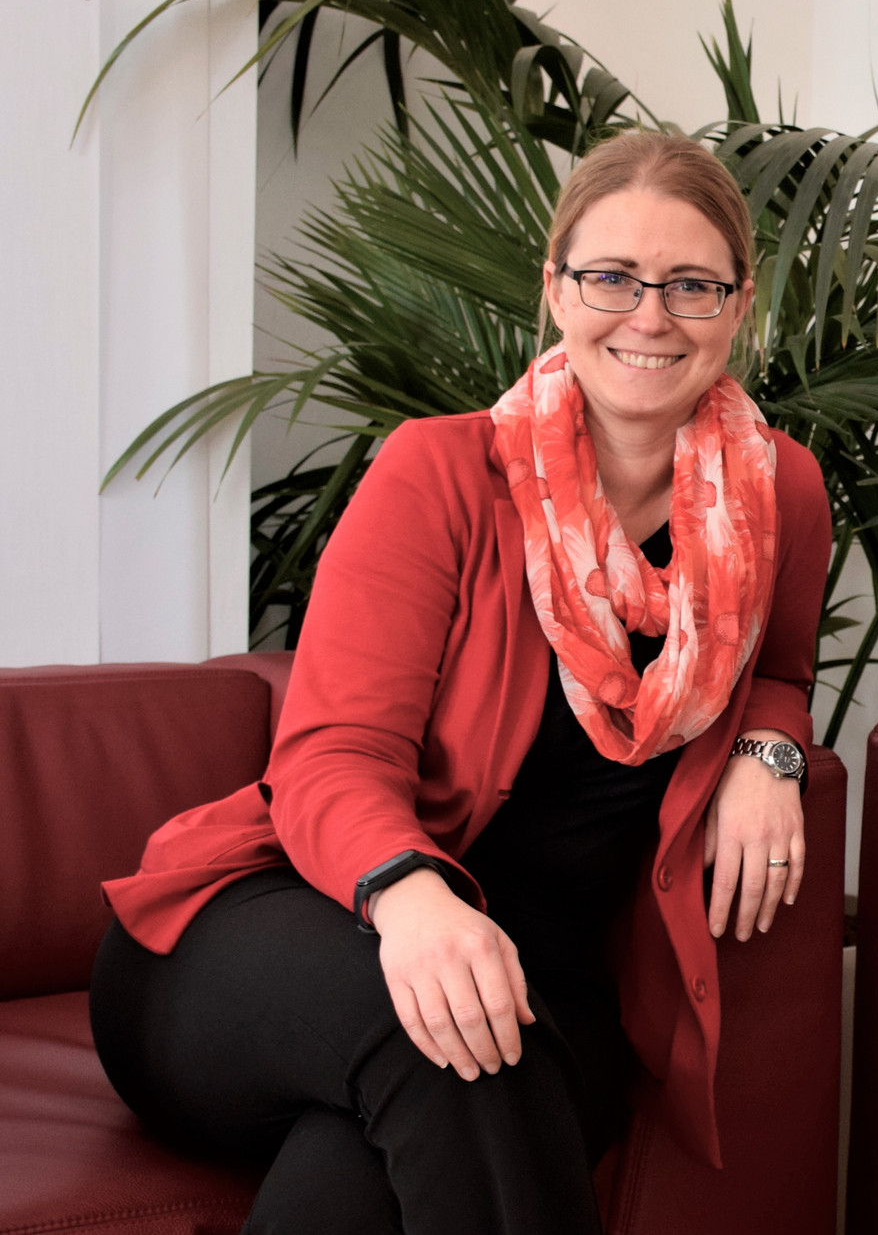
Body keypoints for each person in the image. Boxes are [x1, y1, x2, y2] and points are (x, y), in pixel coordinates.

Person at [89, 131, 831, 1235]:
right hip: (278, 934)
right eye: (612, 277)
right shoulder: (440, 473)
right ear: (555, 288)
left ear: (738, 303)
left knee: (386, 1149)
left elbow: (776, 665)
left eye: (690, 285)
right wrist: (414, 900)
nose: (649, 315)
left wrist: (771, 752)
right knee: (452, 1034)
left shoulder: (782, 496)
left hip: (546, 988)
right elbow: (330, 753)